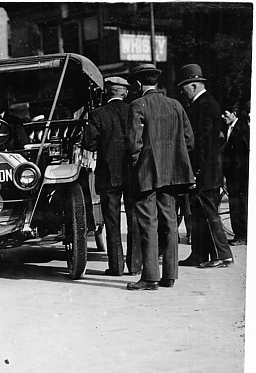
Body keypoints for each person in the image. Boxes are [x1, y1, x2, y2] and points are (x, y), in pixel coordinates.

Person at [125, 63, 196, 291]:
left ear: (137, 83)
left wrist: (137, 166)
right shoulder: (175, 105)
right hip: (173, 175)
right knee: (170, 223)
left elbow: (133, 144)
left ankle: (150, 277)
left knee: (148, 224)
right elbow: (189, 140)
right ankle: (170, 275)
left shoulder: (138, 105)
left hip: (146, 174)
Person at [82, 76, 142, 276]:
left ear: (107, 93)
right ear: (124, 92)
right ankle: (134, 266)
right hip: (133, 173)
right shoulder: (134, 110)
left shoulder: (97, 114)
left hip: (108, 174)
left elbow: (89, 144)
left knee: (112, 220)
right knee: (134, 218)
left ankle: (116, 266)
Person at [177, 64, 234, 268]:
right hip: (208, 170)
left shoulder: (203, 105)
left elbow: (203, 142)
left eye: (184, 87)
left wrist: (197, 170)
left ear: (193, 86)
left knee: (209, 214)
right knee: (200, 214)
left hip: (204, 171)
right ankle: (199, 254)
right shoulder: (206, 103)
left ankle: (223, 254)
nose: (182, 91)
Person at [220, 101, 249, 245]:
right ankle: (239, 234)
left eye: (226, 114)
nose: (223, 117)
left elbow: (244, 152)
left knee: (240, 205)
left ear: (234, 114)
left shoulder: (241, 129)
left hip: (239, 175)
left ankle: (242, 235)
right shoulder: (230, 128)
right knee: (235, 204)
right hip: (232, 175)